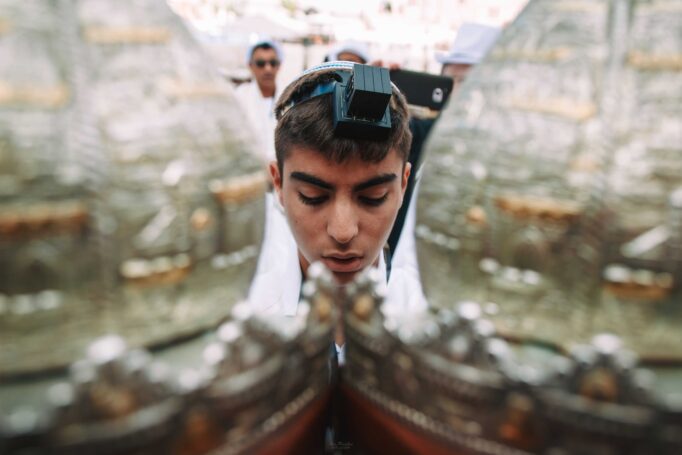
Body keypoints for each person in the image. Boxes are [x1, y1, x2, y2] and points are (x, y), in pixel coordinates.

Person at [248, 62, 426, 344]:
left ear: (403, 184)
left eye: (374, 197)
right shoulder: (245, 318)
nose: (343, 232)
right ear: (278, 182)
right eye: (313, 196)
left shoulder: (431, 324)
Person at [388, 23, 500, 273]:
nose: (458, 91)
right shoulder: (418, 133)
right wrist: (373, 92)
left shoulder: (506, 158)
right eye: (450, 81)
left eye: (467, 81)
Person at [234, 37, 284, 164]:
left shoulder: (290, 96)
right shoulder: (240, 96)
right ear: (250, 66)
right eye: (261, 63)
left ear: (279, 65)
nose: (268, 69)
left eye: (272, 63)